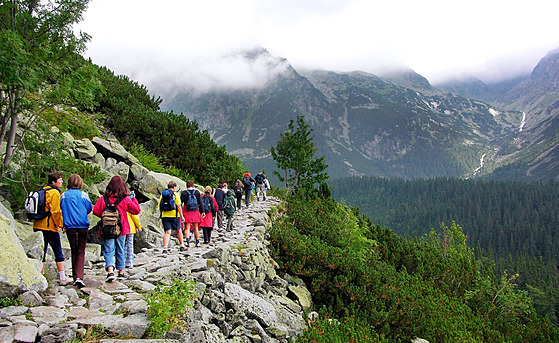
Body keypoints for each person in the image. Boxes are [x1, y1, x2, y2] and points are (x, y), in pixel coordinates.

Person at [93, 176, 140, 282]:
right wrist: (133, 198)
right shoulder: (125, 199)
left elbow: (95, 211)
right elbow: (136, 210)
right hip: (121, 228)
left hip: (106, 228)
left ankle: (110, 271)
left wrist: (105, 217)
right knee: (120, 249)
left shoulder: (103, 198)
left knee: (109, 250)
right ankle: (121, 272)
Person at [34, 172, 68, 285]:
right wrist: (61, 224)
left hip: (38, 224)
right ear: (54, 182)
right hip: (49, 226)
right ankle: (62, 276)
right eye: (60, 180)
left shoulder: (43, 190)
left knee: (42, 251)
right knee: (57, 249)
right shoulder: (54, 193)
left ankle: (41, 275)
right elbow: (55, 212)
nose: (62, 182)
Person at [60, 174, 92, 288]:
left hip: (69, 226)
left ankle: (75, 276)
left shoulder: (63, 195)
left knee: (74, 249)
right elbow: (89, 208)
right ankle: (79, 276)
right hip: (83, 225)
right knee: (81, 250)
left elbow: (61, 208)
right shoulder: (84, 195)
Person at [159, 181, 186, 254]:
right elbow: (179, 206)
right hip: (175, 215)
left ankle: (165, 248)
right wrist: (182, 216)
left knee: (167, 232)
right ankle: (182, 245)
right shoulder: (175, 195)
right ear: (174, 187)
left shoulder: (163, 195)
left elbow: (160, 206)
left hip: (165, 216)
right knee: (178, 230)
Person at [180, 180, 204, 248]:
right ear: (193, 185)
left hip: (186, 210)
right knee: (195, 228)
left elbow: (181, 202)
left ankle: (187, 241)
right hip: (195, 211)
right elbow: (200, 202)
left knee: (187, 227)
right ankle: (197, 241)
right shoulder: (197, 192)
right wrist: (202, 211)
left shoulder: (184, 193)